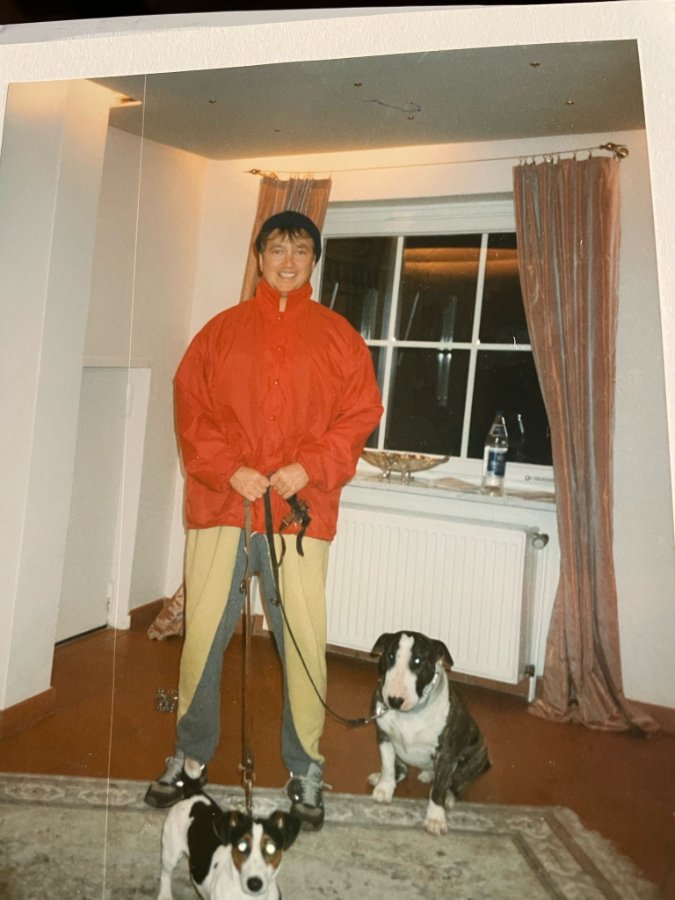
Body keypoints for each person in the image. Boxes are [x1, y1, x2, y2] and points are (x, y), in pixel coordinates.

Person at [144, 210, 383, 830]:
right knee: (203, 634)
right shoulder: (219, 333)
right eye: (277, 248)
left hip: (299, 514)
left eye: (301, 250)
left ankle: (306, 770)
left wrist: (310, 466)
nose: (288, 261)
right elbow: (191, 408)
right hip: (223, 506)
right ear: (259, 257)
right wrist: (231, 470)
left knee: (302, 637)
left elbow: (360, 413)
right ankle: (190, 758)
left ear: (313, 261)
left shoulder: (339, 338)